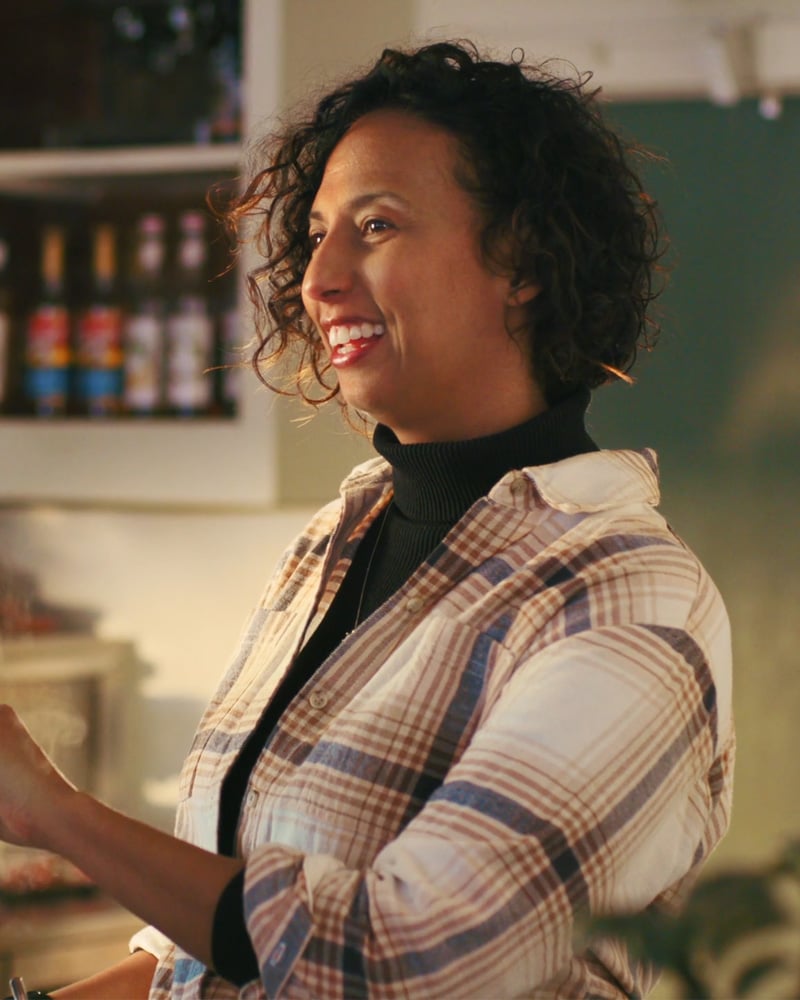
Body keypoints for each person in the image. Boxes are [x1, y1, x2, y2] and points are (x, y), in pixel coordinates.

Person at [0, 40, 734, 1000]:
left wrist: (56, 815)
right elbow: (212, 949)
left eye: (377, 226)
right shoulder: (340, 535)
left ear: (523, 260)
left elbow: (398, 962)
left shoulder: (626, 601)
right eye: (316, 234)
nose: (318, 279)